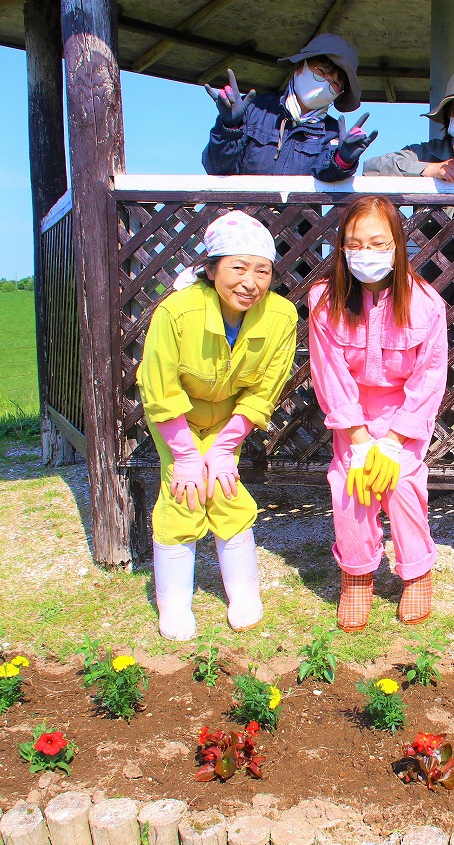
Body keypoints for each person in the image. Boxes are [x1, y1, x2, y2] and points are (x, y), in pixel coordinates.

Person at [137, 211, 299, 639]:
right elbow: (159, 386)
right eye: (238, 268)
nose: (251, 282)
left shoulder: (281, 316)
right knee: (183, 492)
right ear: (210, 270)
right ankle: (173, 605)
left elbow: (265, 388)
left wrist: (225, 447)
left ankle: (243, 593)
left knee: (226, 490)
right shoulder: (177, 311)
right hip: (177, 418)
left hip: (230, 421)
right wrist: (187, 454)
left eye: (262, 271)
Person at [307, 196, 449, 632]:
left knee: (402, 483)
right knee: (350, 483)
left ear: (397, 244)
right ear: (342, 248)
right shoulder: (323, 299)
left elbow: (428, 378)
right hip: (352, 419)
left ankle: (417, 570)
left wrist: (391, 442)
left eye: (377, 243)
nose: (365, 253)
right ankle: (357, 573)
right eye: (355, 243)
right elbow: (329, 374)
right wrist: (361, 440)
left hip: (404, 418)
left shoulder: (426, 303)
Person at [201, 34, 377, 181]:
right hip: (241, 219)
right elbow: (217, 168)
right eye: (321, 72)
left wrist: (342, 161)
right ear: (300, 66)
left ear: (340, 93)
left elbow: (325, 173)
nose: (325, 84)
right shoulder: (254, 109)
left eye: (335, 83)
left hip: (298, 222)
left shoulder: (333, 132)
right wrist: (228, 128)